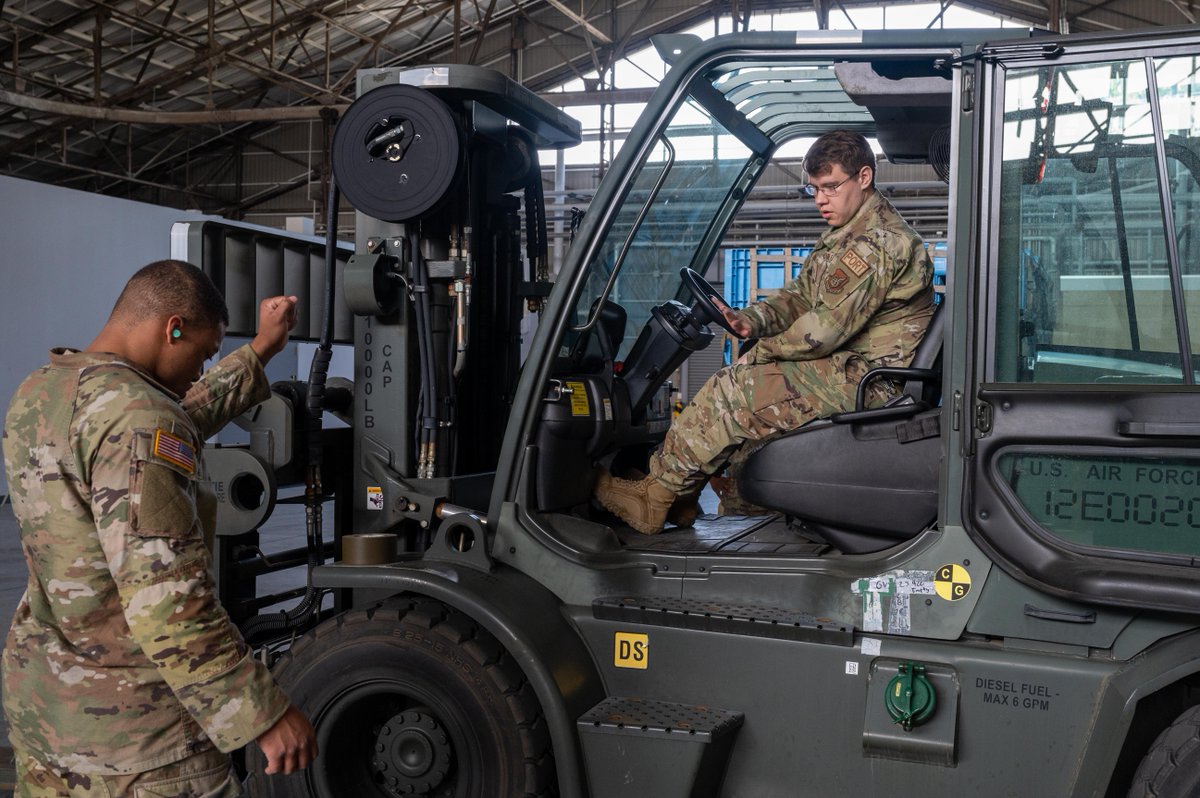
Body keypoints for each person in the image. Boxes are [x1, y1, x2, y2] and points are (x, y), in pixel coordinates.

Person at [2, 260, 318, 796]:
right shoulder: (140, 417)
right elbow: (167, 602)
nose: (200, 370)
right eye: (203, 353)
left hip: (47, 716)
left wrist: (262, 348)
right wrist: (260, 712)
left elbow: (168, 415)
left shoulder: (40, 392)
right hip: (139, 744)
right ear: (174, 328)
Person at [595, 130, 935, 534]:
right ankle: (689, 499)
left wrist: (761, 352)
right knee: (749, 428)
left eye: (830, 187)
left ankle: (655, 496)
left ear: (864, 177)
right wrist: (750, 321)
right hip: (849, 369)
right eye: (814, 189)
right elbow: (800, 297)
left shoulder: (878, 243)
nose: (821, 199)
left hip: (871, 381)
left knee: (732, 389)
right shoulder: (846, 234)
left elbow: (821, 331)